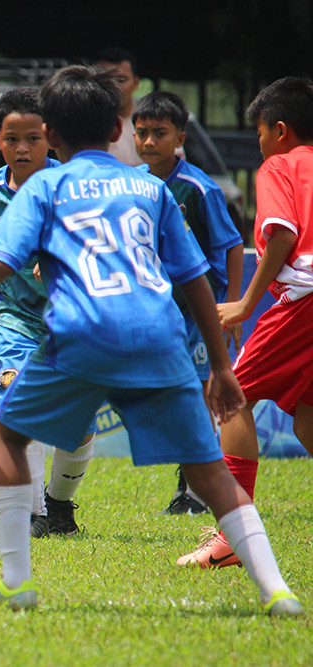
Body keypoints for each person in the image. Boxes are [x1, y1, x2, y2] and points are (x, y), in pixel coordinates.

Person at [0, 65, 302, 616]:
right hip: (158, 335)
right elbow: (193, 276)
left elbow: (0, 260)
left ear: (52, 135)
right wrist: (220, 365)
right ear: (118, 128)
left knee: (6, 434)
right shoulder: (150, 186)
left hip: (82, 332)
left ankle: (16, 582)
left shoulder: (46, 185)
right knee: (208, 468)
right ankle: (277, 590)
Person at [177, 76, 313, 569]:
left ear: (279, 130)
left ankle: (232, 537)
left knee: (230, 398)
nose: (259, 144)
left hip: (303, 300)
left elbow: (281, 237)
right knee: (308, 415)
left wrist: (244, 303)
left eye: (258, 133)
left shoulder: (280, 165)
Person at [0, 87, 94, 539]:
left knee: (79, 425)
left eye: (33, 138)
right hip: (17, 316)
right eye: (12, 138)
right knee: (18, 401)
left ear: (50, 138)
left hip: (73, 319)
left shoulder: (74, 186)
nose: (22, 148)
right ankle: (33, 514)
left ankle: (59, 505)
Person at [132, 90, 244, 516]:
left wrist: (233, 305)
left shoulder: (199, 186)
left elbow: (232, 245)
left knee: (199, 393)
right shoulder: (133, 183)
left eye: (159, 133)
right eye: (142, 132)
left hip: (199, 310)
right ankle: (193, 482)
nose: (149, 141)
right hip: (155, 310)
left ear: (180, 137)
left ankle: (197, 492)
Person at [96, 47, 142, 167]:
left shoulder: (154, 121)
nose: (115, 86)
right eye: (107, 79)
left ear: (136, 82)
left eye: (121, 79)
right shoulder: (84, 125)